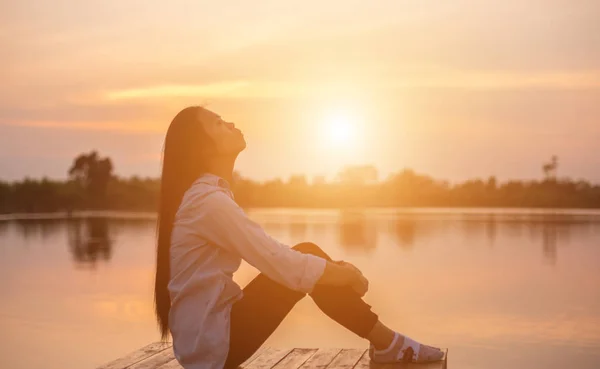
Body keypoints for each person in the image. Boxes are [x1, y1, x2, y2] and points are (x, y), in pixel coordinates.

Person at [154, 106, 444, 369]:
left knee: (308, 259)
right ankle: (389, 344)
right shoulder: (207, 202)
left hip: (207, 342)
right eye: (218, 124)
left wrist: (334, 271)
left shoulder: (206, 197)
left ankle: (387, 343)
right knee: (307, 256)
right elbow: (274, 259)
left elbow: (277, 259)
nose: (230, 122)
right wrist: (341, 274)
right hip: (213, 347)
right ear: (203, 149)